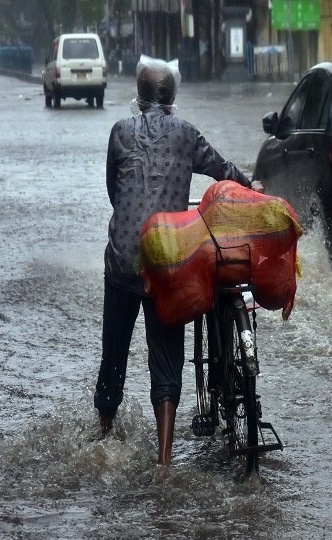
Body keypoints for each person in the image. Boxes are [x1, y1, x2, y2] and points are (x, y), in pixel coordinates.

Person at [94, 55, 263, 467]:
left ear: (139, 94)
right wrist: (251, 184)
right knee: (167, 359)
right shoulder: (187, 134)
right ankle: (165, 464)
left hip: (122, 261)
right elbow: (222, 170)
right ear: (172, 98)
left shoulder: (120, 130)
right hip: (167, 262)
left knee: (113, 350)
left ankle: (104, 435)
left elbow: (114, 191)